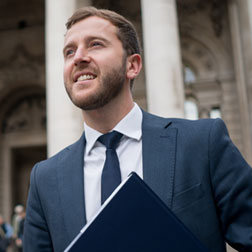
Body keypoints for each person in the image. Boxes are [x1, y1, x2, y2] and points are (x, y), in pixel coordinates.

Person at [23, 6, 252, 252]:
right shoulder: (44, 179)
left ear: (132, 65)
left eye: (96, 44)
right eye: (69, 51)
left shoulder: (203, 143)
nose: (78, 57)